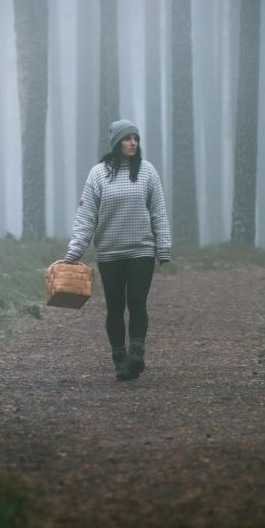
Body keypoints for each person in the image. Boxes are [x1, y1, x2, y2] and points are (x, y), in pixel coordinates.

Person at [65, 119, 172, 381]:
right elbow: (86, 215)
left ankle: (136, 353)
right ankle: (119, 358)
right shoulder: (98, 174)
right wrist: (74, 251)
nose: (133, 143)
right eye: (127, 138)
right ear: (116, 143)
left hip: (141, 251)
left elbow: (158, 211)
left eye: (136, 138)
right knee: (115, 307)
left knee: (137, 302)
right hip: (110, 253)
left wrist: (163, 247)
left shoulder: (147, 172)